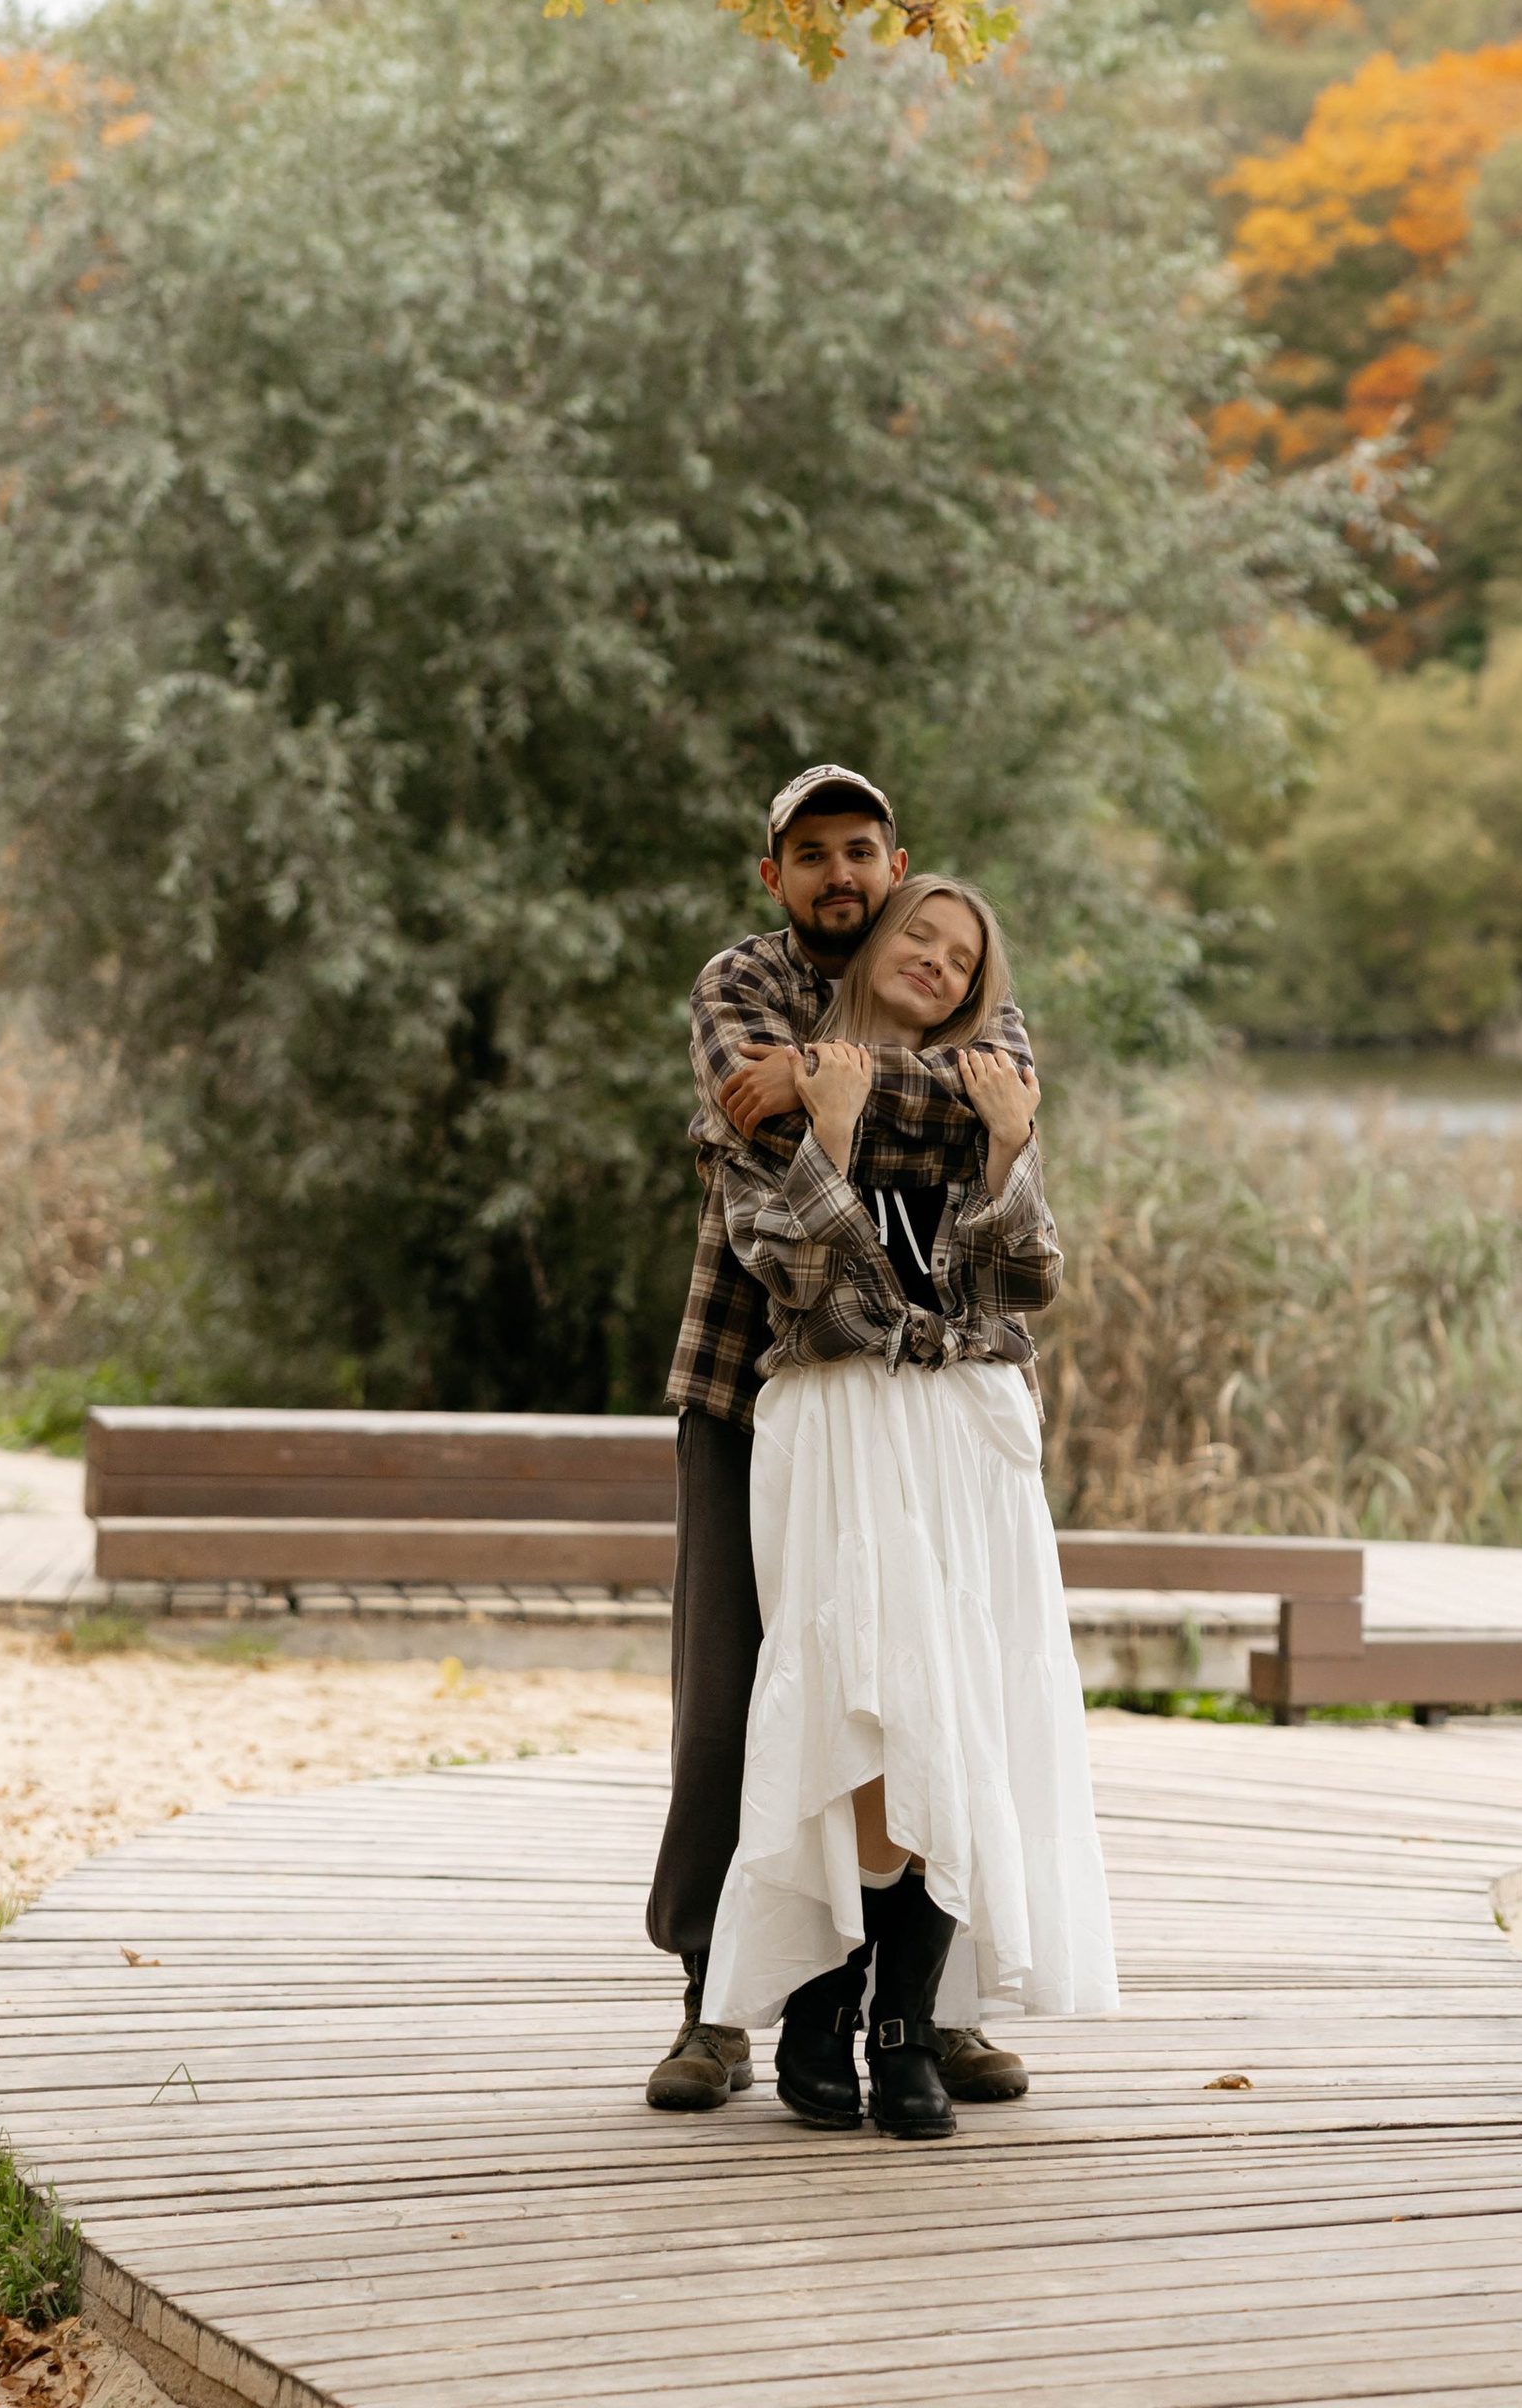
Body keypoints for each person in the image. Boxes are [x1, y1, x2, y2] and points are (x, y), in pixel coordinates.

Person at [645, 766, 1042, 2112]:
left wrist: (842, 1086)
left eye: (860, 850)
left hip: (915, 1407)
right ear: (776, 876)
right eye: (810, 853)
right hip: (747, 1386)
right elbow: (743, 1104)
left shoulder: (945, 959)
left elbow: (1013, 1104)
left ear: (897, 860)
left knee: (936, 1692)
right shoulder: (737, 982)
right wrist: (870, 1094)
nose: (840, 873)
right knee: (734, 1706)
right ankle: (714, 2005)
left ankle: (940, 2005)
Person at [698, 874, 1118, 2135]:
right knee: (852, 1691)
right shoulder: (771, 1083)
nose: (935, 961)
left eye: (961, 956)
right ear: (874, 940)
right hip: (833, 1421)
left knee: (962, 1697)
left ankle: (905, 2021)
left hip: (963, 1427)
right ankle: (824, 2007)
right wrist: (826, 1127)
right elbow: (787, 1269)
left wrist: (1002, 1148)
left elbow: (1022, 1276)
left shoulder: (991, 1086)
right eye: (917, 937)